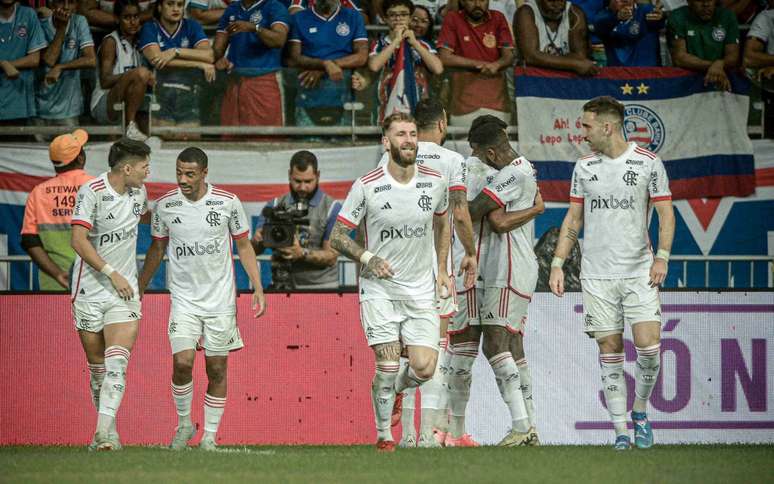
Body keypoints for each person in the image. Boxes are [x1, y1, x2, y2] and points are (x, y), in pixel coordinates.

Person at [549, 96, 675, 450]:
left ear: (607, 126)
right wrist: (558, 263)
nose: (582, 133)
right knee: (610, 347)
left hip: (638, 271)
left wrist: (662, 257)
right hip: (596, 275)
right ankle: (620, 431)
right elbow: (573, 219)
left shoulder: (648, 163)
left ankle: (640, 410)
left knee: (649, 348)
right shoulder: (584, 167)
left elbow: (666, 213)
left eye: (587, 126)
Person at [329, 112, 455, 452]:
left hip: (420, 289)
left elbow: (443, 224)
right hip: (379, 290)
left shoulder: (434, 181)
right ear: (386, 142)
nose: (409, 140)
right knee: (386, 364)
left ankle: (397, 390)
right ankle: (385, 436)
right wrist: (368, 258)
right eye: (401, 134)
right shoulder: (367, 185)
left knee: (424, 368)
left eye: (413, 133)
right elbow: (337, 237)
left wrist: (442, 269)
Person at [139, 147, 267, 451]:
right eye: (179, 173)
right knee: (182, 363)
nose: (183, 179)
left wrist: (258, 286)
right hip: (183, 300)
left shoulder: (227, 202)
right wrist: (140, 285)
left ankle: (209, 436)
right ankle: (184, 423)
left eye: (190, 174)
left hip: (220, 302)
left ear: (204, 173)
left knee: (217, 369)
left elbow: (244, 246)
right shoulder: (165, 206)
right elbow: (157, 248)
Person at [376, 99, 477, 447]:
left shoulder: (391, 158)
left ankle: (406, 433)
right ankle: (429, 434)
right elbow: (459, 213)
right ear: (443, 123)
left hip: (397, 269)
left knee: (409, 350)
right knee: (436, 348)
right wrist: (471, 253)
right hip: (435, 269)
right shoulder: (452, 161)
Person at [455, 123, 544, 446]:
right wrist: (535, 208)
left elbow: (487, 216)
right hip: (510, 267)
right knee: (513, 345)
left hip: (509, 268)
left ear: (491, 152)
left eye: (478, 153)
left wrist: (456, 195)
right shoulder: (520, 168)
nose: (475, 159)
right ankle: (530, 427)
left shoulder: (513, 173)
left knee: (495, 345)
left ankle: (521, 426)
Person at [70, 138, 151, 450]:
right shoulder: (91, 192)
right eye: (144, 166)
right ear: (127, 168)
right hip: (89, 290)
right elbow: (78, 240)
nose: (147, 172)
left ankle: (102, 434)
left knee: (117, 364)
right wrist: (110, 272)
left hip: (124, 292)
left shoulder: (139, 193)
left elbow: (145, 216)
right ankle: (109, 432)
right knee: (98, 370)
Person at [251, 150, 342, 290]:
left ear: (318, 176)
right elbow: (254, 250)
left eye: (308, 181)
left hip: (322, 289)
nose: (302, 187)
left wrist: (302, 253)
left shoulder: (332, 208)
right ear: (289, 175)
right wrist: (258, 240)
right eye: (297, 181)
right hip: (283, 285)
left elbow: (331, 256)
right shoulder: (274, 205)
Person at [21, 129, 95, 291]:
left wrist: (58, 274)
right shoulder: (98, 187)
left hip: (54, 285)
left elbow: (29, 240)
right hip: (96, 281)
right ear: (81, 158)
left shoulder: (38, 192)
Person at [138, 0, 215, 134]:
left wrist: (175, 51)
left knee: (191, 140)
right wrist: (198, 63)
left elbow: (209, 55)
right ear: (160, 7)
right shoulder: (149, 27)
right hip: (159, 94)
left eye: (180, 5)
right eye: (170, 4)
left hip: (188, 93)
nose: (176, 9)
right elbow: (157, 60)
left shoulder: (191, 26)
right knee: (164, 139)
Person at [287, 0, 368, 127]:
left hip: (343, 93)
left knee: (342, 138)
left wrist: (328, 65)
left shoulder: (353, 16)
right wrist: (325, 64)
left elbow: (362, 56)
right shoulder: (299, 18)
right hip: (308, 92)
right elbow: (295, 57)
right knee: (307, 138)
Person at [213, 0, 289, 134]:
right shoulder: (232, 9)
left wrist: (254, 28)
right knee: (231, 136)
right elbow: (217, 49)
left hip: (265, 82)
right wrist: (218, 60)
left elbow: (279, 40)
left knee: (266, 138)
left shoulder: (274, 6)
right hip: (234, 82)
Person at [436, 0, 515, 126]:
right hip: (462, 107)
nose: (478, 4)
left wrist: (497, 65)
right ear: (462, 1)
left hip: (498, 105)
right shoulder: (453, 18)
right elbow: (444, 57)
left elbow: (508, 56)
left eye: (482, 0)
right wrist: (481, 65)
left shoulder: (498, 18)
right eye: (472, 0)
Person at [368, 0, 443, 122]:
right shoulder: (378, 44)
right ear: (385, 19)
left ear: (410, 18)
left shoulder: (423, 44)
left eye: (403, 14)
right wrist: (396, 41)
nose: (398, 18)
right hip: (386, 105)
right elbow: (374, 66)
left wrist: (414, 43)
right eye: (393, 15)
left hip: (416, 104)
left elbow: (438, 68)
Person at [90, 0, 152, 141]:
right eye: (127, 17)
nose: (132, 22)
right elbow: (105, 81)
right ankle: (129, 126)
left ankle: (139, 132)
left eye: (136, 17)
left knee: (143, 82)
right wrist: (134, 74)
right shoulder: (111, 42)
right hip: (104, 102)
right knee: (140, 74)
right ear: (117, 19)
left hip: (127, 101)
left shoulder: (140, 42)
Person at [35, 0, 95, 132]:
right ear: (52, 4)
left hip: (69, 110)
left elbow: (91, 60)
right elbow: (49, 60)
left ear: (77, 5)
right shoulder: (40, 24)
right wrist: (62, 28)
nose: (66, 7)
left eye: (71, 2)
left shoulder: (79, 21)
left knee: (70, 145)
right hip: (41, 108)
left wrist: (60, 67)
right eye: (61, 1)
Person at [667, 0, 740, 91]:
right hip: (687, 81)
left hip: (722, 80)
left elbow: (733, 56)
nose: (706, 4)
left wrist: (720, 64)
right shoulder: (678, 16)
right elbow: (680, 58)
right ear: (689, 1)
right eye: (700, 0)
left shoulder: (727, 16)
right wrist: (716, 65)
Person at [514, 0, 600, 75]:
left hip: (565, 79)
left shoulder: (575, 13)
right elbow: (531, 56)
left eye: (561, 0)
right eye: (551, 1)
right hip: (533, 78)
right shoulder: (526, 12)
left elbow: (580, 57)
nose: (557, 5)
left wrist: (544, 59)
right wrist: (574, 63)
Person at [0, 0, 47, 124]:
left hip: (20, 102)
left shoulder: (28, 15)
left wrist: (8, 64)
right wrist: (2, 64)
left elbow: (34, 59)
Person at [593, 0, 665, 67]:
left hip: (649, 72)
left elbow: (659, 19)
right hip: (618, 72)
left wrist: (662, 16)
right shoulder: (602, 17)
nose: (625, 1)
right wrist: (616, 17)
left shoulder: (645, 11)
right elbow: (601, 25)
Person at [77, 0, 155, 29]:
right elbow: (86, 12)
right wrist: (122, 21)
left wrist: (130, 21)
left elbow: (155, 11)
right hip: (101, 34)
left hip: (143, 32)